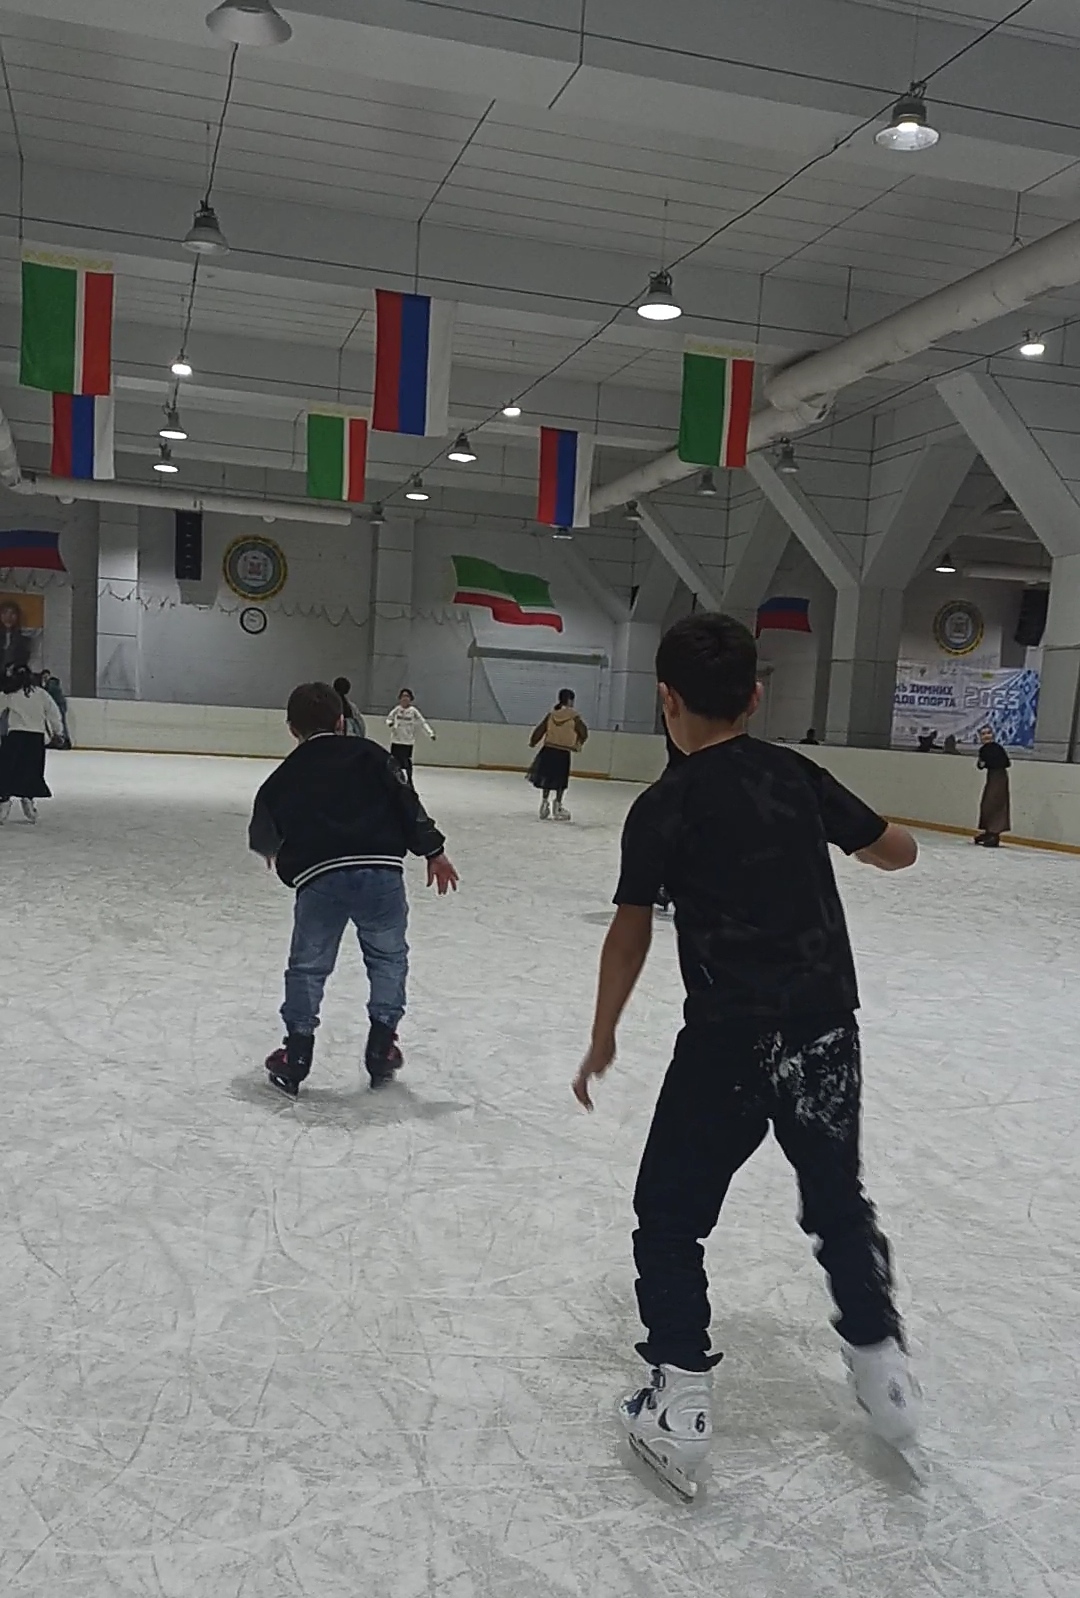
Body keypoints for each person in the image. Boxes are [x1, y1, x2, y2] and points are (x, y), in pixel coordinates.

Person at [572, 613, 920, 1499]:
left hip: (726, 1041)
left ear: (666, 700)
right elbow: (898, 851)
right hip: (824, 1033)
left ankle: (681, 1401)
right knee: (837, 1201)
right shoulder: (795, 774)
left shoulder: (663, 806)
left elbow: (629, 931)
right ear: (756, 698)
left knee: (669, 1215)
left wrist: (604, 1033)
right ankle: (884, 1371)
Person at [248, 681, 459, 1098]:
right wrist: (433, 851)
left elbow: (264, 825)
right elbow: (407, 802)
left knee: (308, 967)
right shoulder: (373, 756)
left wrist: (271, 848)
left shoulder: (286, 773)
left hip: (320, 880)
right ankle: (382, 1046)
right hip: (381, 874)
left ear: (292, 729)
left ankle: (297, 1054)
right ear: (342, 721)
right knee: (388, 958)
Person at [0, 663, 65, 823]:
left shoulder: (10, 693)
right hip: (35, 739)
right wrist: (58, 732)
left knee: (7, 771)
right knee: (30, 771)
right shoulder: (41, 694)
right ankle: (28, 801)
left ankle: (4, 803)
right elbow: (53, 713)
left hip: (15, 737)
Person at [528, 688, 589, 820]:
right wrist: (578, 743)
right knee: (561, 780)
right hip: (563, 752)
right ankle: (558, 805)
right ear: (570, 700)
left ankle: (544, 803)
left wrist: (533, 741)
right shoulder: (574, 716)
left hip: (548, 750)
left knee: (547, 777)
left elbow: (541, 728)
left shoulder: (552, 714)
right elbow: (583, 731)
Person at [386, 688, 435, 786]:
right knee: (394, 762)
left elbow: (422, 722)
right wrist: (390, 723)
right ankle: (394, 779)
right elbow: (388, 719)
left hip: (407, 741)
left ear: (410, 699)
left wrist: (430, 733)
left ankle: (409, 780)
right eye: (403, 696)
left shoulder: (413, 711)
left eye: (407, 696)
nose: (405, 699)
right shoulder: (397, 710)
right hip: (396, 741)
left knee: (406, 762)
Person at [975, 725, 1011, 847]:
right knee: (987, 803)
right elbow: (980, 765)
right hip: (992, 777)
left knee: (995, 803)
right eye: (983, 734)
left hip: (999, 777)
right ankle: (989, 830)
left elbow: (1005, 763)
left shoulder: (996, 748)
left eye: (988, 733)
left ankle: (994, 832)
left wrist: (986, 763)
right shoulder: (983, 749)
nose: (986, 736)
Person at [1, 599, 32, 683]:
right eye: (5, 613)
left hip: (14, 681)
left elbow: (23, 660)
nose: (8, 617)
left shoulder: (24, 639)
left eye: (12, 613)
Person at [41, 667, 71, 748]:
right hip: (58, 704)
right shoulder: (51, 684)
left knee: (61, 722)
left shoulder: (52, 683)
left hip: (59, 705)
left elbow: (48, 692)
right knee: (59, 722)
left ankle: (64, 740)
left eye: (46, 676)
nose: (45, 678)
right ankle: (60, 740)